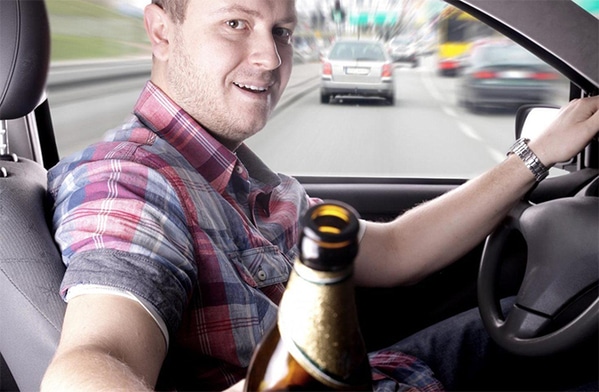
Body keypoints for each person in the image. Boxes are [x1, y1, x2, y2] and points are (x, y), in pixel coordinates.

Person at [41, 0, 599, 391]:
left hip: (385, 373)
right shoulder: (128, 180)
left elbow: (399, 249)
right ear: (162, 32)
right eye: (236, 23)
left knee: (553, 330)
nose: (270, 57)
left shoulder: (241, 176)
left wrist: (536, 153)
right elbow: (94, 359)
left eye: (281, 32)